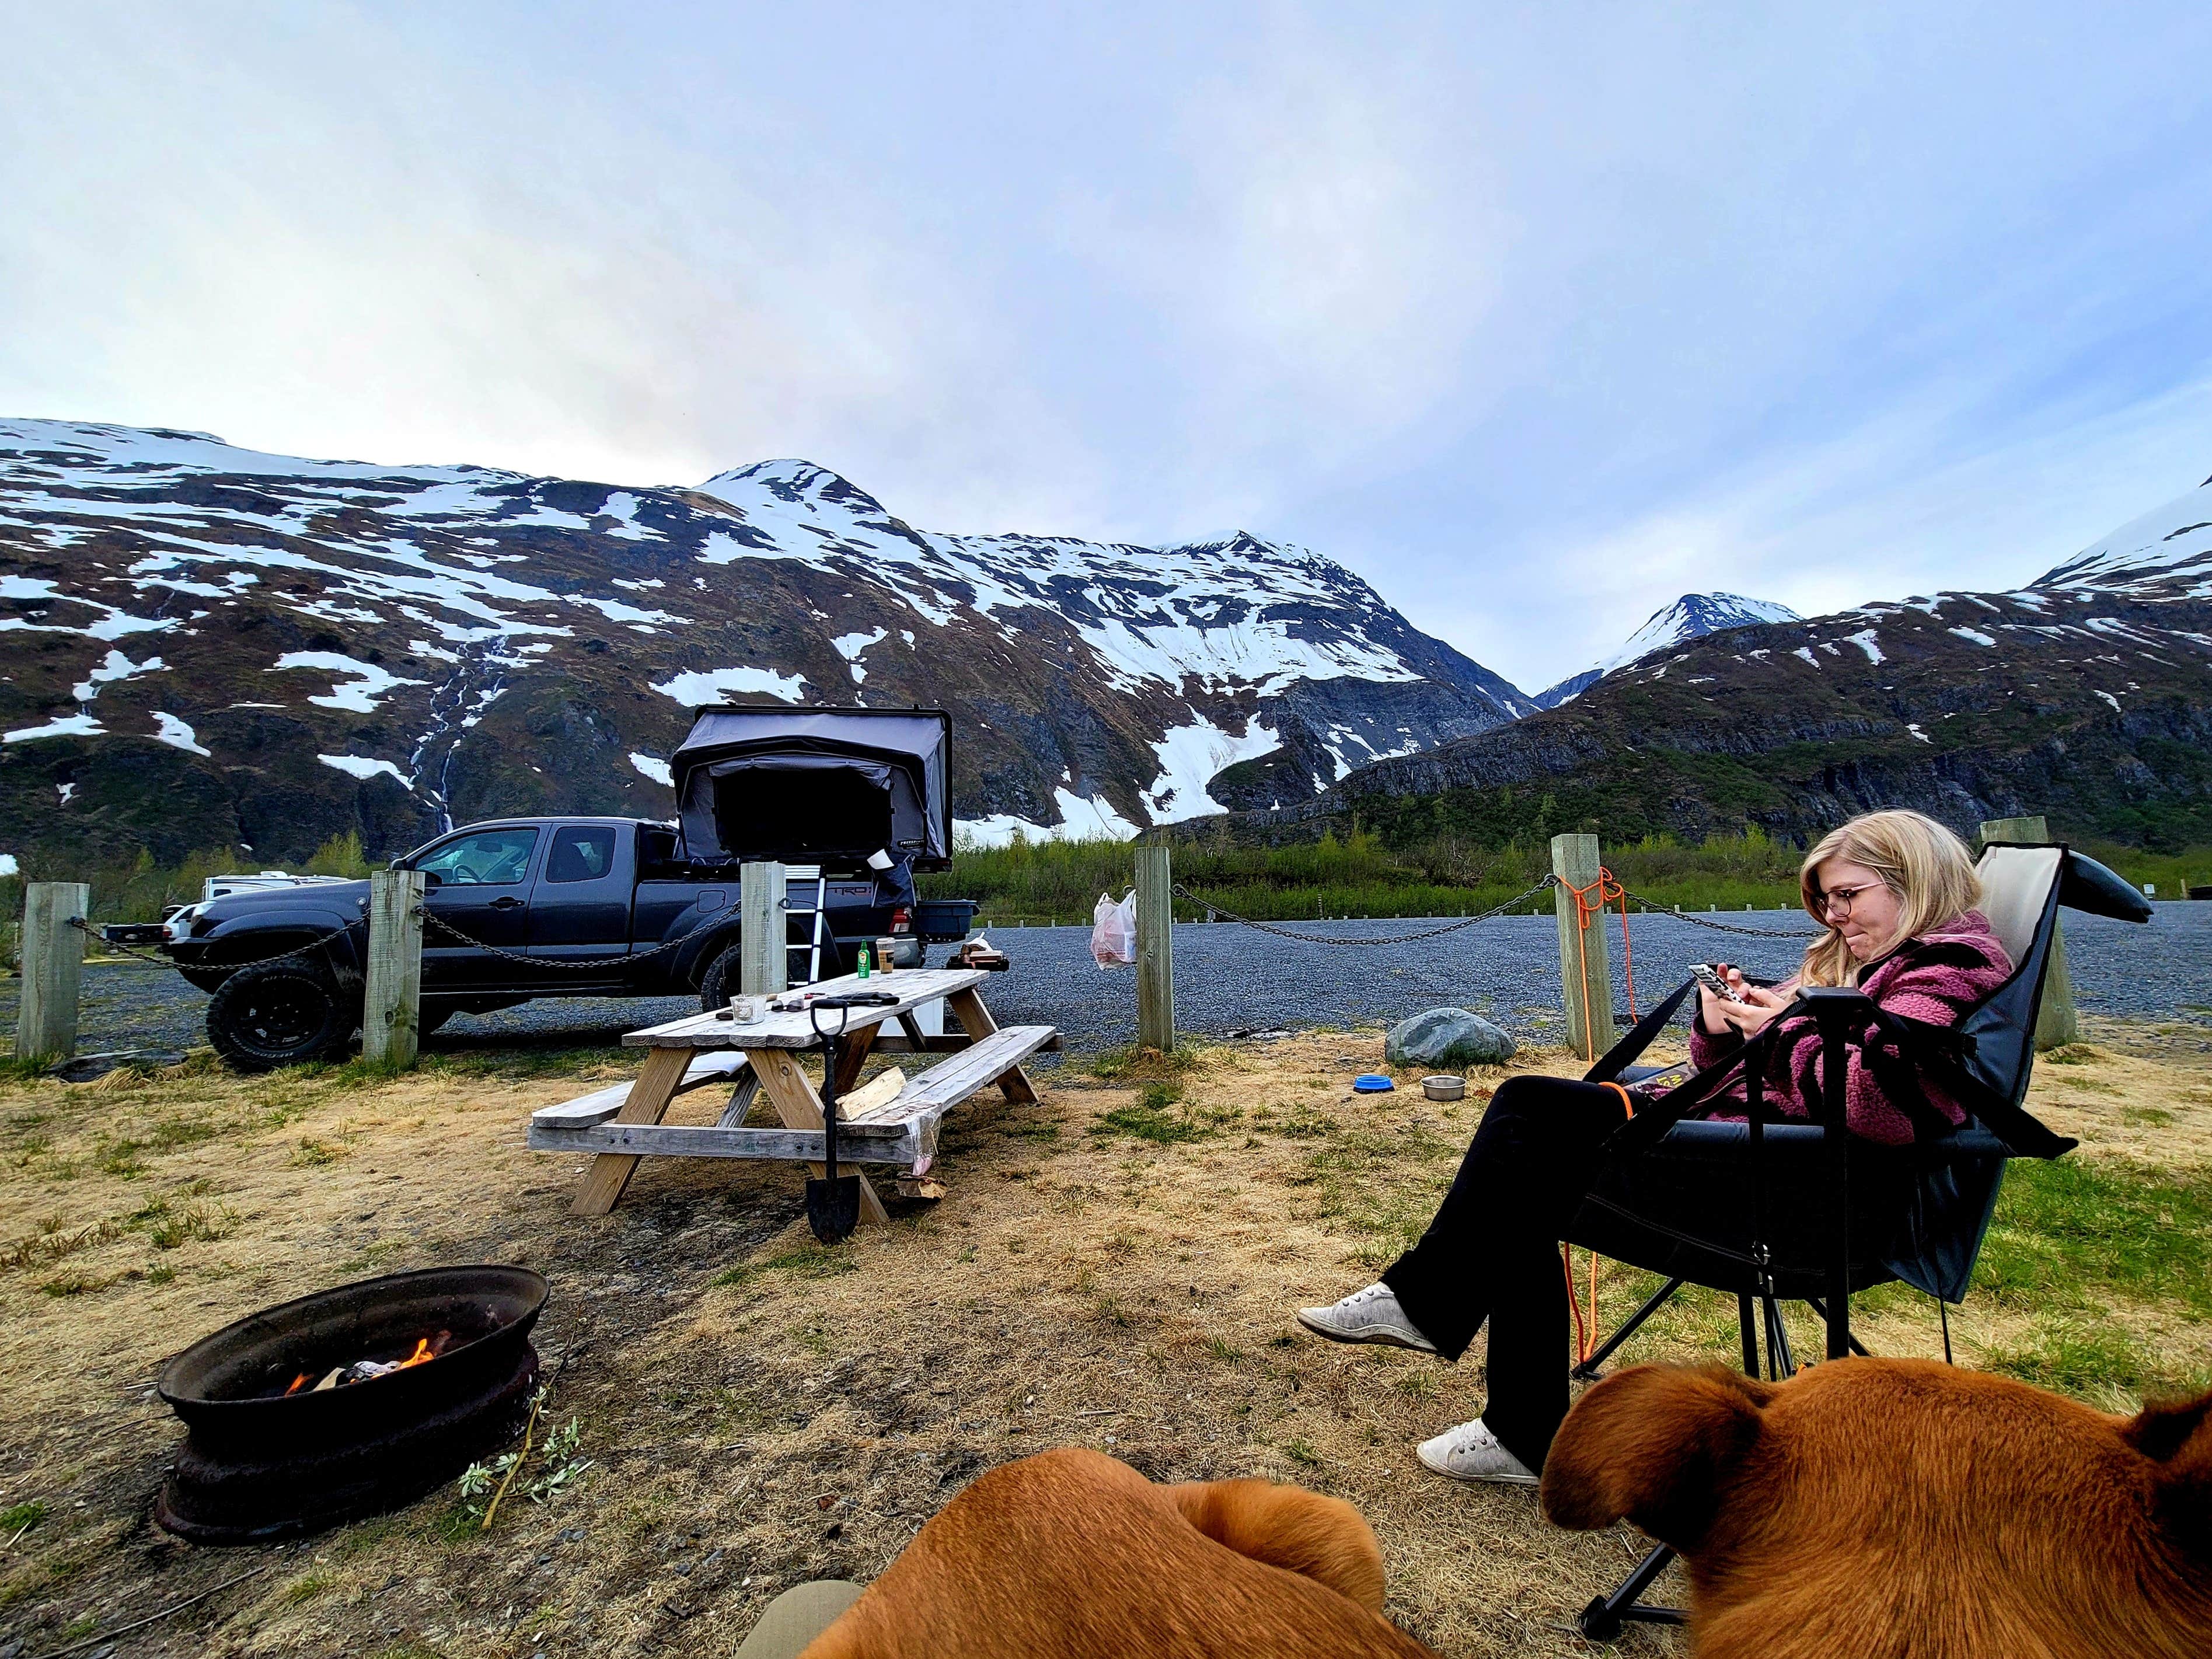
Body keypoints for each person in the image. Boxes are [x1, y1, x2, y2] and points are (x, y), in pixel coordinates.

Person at [1294, 809, 2014, 1486]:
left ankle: (1470, 1357)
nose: (1834, 915)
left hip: (1804, 1198)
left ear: (1912, 879)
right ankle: (1493, 1393)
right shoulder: (1859, 960)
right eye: (1826, 900)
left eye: (1847, 895)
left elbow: (1878, 1104)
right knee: (1526, 1139)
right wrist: (1723, 1024)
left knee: (1526, 1132)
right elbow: (1731, 1066)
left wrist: (1775, 1031)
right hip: (1756, 1157)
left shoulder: (1946, 967)